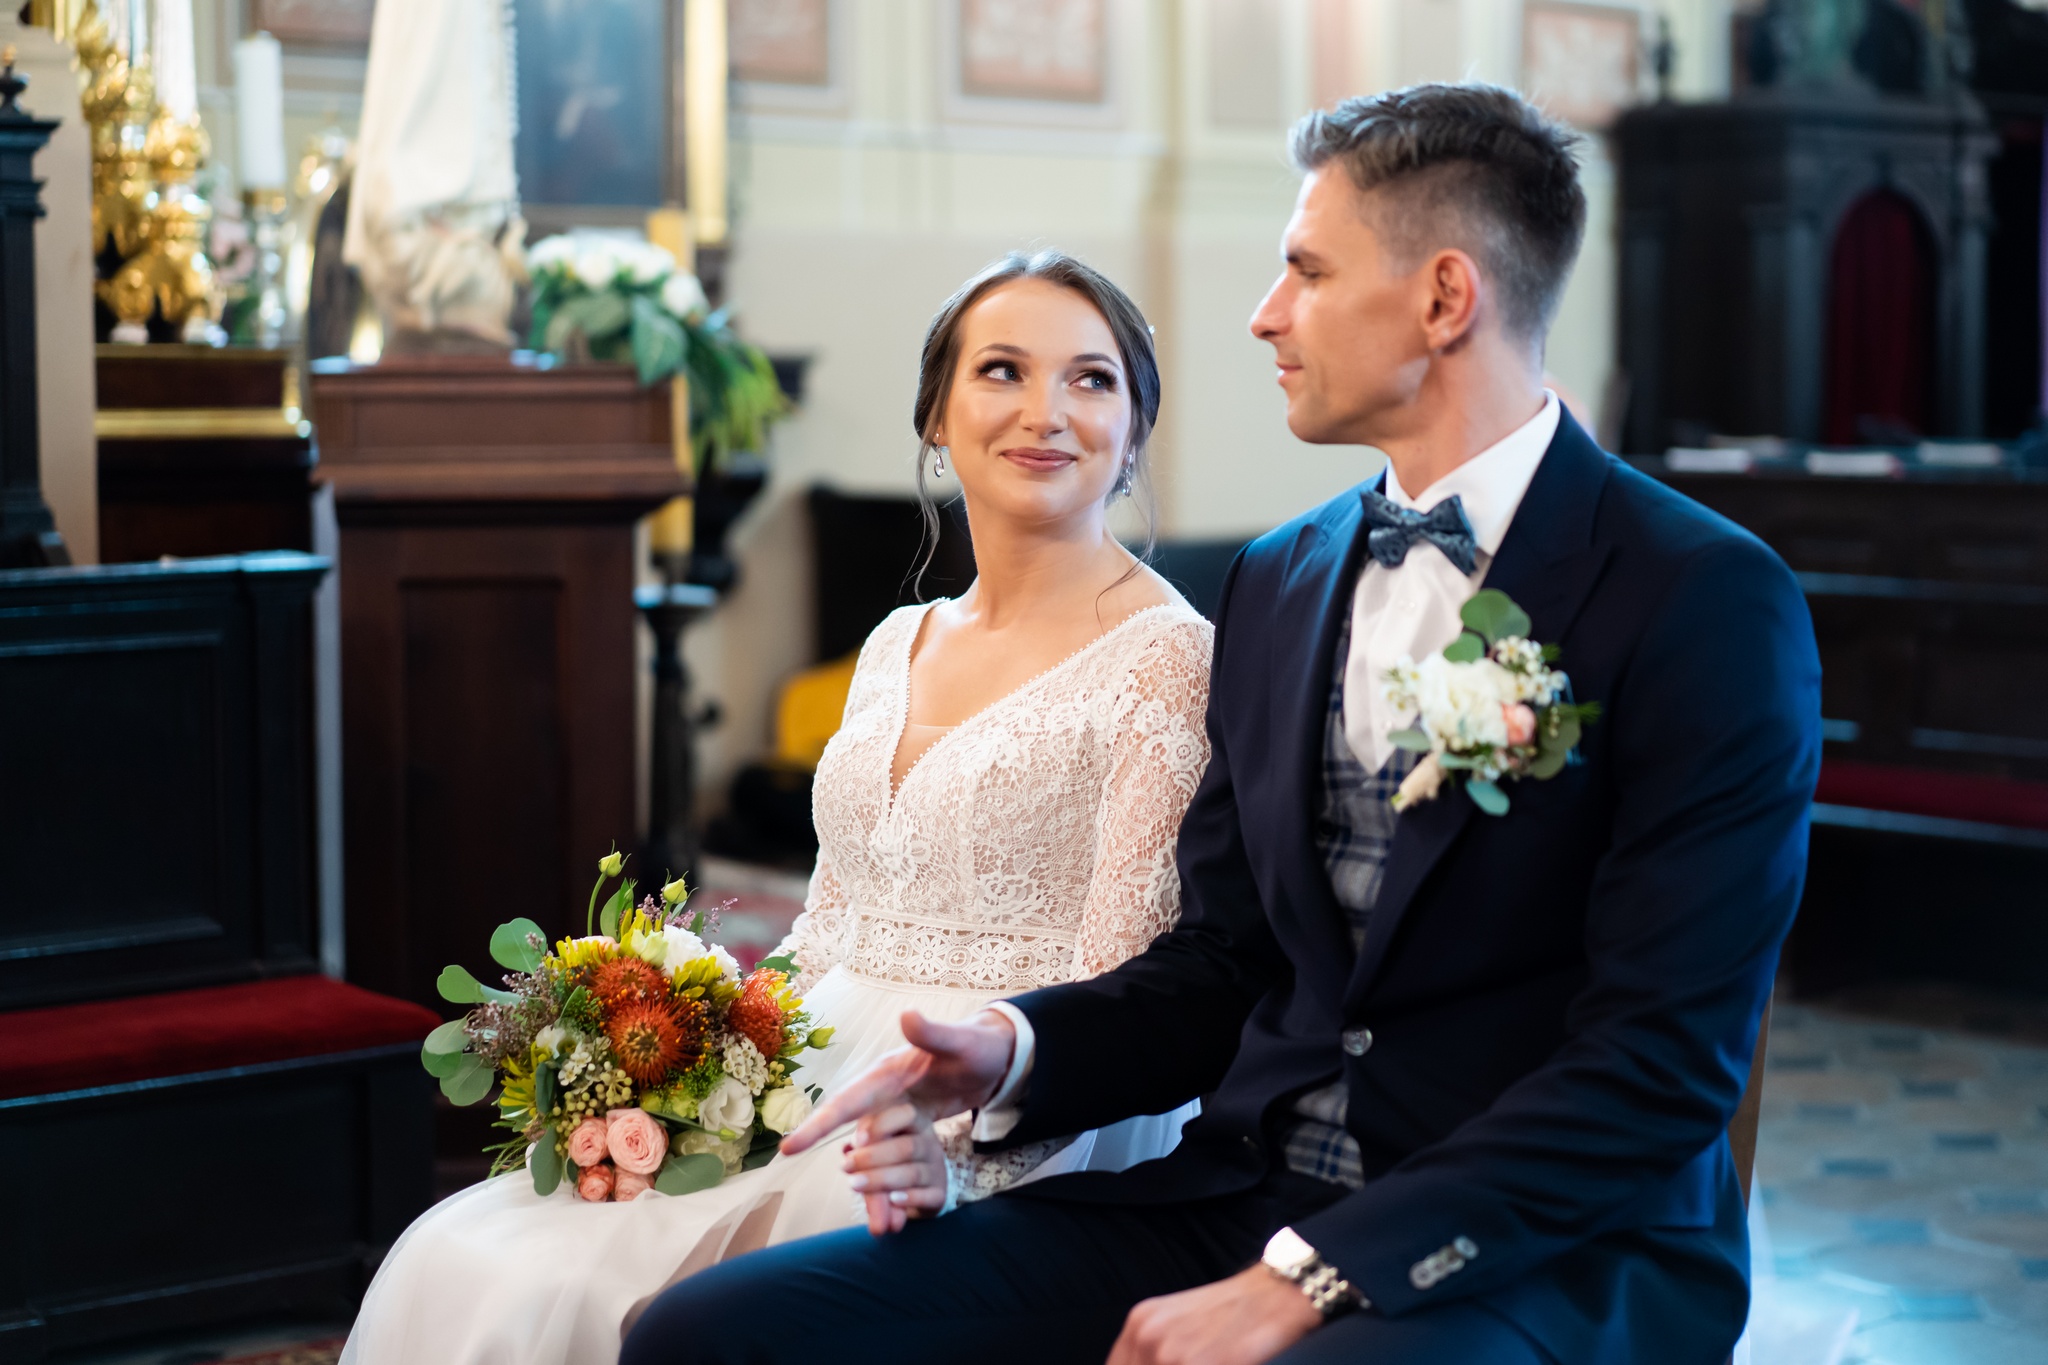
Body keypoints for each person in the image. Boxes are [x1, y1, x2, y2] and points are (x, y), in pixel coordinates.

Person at [622, 83, 1821, 1365]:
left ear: (1442, 299)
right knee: (709, 1337)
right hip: (1242, 1195)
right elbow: (1224, 965)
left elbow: (1653, 1065)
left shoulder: (1698, 596)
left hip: (1536, 1254)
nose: (1264, 314)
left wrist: (1311, 1280)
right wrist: (1011, 1050)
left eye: (1306, 270)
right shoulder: (1280, 578)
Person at [340, 250, 1212, 1364]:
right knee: (469, 1258)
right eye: (1002, 370)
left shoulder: (1167, 657)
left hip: (1011, 1102)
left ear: (1132, 432)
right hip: (820, 1053)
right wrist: (689, 1066)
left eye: (1091, 379)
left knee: (665, 1306)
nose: (1046, 410)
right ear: (936, 416)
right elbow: (827, 924)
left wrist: (959, 1151)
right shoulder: (897, 642)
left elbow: (1122, 985)